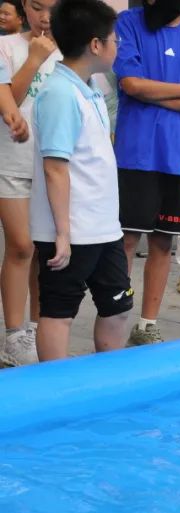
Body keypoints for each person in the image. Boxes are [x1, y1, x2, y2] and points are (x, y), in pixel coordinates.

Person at [30, 0, 132, 361]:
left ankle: (105, 383)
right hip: (71, 230)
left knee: (118, 308)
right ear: (95, 45)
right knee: (59, 313)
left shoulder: (90, 89)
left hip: (103, 227)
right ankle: (54, 395)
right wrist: (62, 234)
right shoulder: (59, 93)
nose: (117, 46)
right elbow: (55, 167)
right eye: (114, 40)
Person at [113, 0, 180, 346]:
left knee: (162, 241)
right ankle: (115, 319)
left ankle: (146, 325)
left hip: (175, 155)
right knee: (126, 240)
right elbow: (131, 84)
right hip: (135, 152)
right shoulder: (128, 22)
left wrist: (153, 92)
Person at [0, 0, 60, 366]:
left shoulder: (69, 48)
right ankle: (13, 334)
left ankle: (37, 328)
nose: (45, 16)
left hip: (51, 166)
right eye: (38, 7)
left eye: (52, 8)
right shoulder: (7, 46)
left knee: (44, 252)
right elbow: (12, 99)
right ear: (25, 6)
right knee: (20, 246)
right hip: (11, 161)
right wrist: (34, 59)